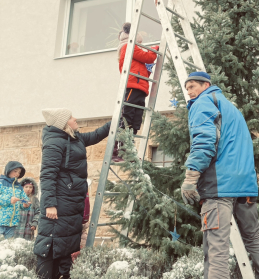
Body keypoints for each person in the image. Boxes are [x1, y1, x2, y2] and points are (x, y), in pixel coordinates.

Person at [181, 72, 259, 279]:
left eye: (193, 86)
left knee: (216, 247)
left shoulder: (203, 104)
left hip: (219, 187)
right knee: (255, 239)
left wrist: (190, 179)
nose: (189, 92)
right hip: (245, 186)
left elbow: (204, 142)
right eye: (187, 88)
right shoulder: (231, 108)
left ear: (206, 85)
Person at [34, 108, 111, 279]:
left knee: (66, 245)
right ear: (62, 123)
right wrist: (50, 204)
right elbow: (48, 175)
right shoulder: (54, 142)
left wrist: (114, 122)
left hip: (71, 204)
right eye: (70, 117)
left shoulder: (76, 138)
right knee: (50, 244)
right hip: (58, 204)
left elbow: (97, 135)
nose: (75, 119)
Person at [113, 22, 159, 162]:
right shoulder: (128, 46)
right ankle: (118, 151)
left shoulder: (134, 49)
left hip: (140, 87)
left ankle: (128, 150)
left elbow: (145, 66)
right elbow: (149, 57)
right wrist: (156, 48)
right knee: (127, 118)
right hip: (132, 85)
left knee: (136, 120)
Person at [0, 161, 30, 239]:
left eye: (19, 172)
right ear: (8, 170)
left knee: (8, 247)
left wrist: (25, 204)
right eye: (15, 171)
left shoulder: (19, 186)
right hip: (1, 223)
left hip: (12, 224)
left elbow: (23, 200)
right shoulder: (1, 182)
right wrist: (9, 200)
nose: (17, 174)